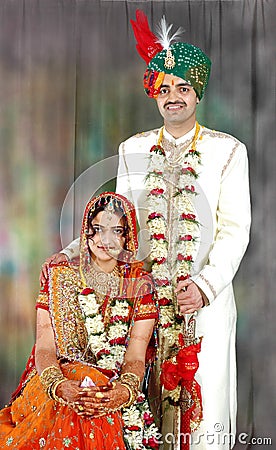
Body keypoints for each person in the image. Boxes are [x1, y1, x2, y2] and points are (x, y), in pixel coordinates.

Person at [39, 10, 251, 450]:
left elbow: (234, 228)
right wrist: (73, 253)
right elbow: (121, 220)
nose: (173, 97)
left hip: (202, 306)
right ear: (155, 94)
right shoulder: (133, 149)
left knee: (205, 404)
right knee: (143, 405)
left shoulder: (227, 151)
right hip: (141, 301)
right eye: (165, 88)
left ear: (198, 95)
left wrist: (207, 286)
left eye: (183, 88)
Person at [0, 192, 160, 450]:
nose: (105, 240)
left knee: (94, 401)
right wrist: (60, 386)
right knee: (80, 400)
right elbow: (45, 348)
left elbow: (135, 356)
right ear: (87, 233)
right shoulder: (58, 277)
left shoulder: (140, 288)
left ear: (126, 238)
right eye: (98, 230)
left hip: (109, 388)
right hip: (53, 383)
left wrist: (123, 392)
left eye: (116, 231)